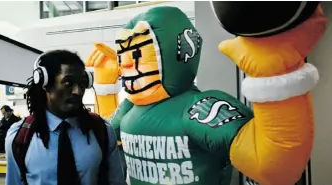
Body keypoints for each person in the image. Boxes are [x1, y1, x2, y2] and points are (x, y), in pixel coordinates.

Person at [86, 3, 326, 185]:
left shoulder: (199, 108)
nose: (125, 66)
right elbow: (103, 139)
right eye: (123, 57)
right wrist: (106, 89)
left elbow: (273, 165)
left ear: (177, 53)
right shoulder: (129, 108)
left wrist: (273, 71)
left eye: (136, 54)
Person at [5, 50, 126, 185]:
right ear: (45, 83)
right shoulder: (20, 136)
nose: (78, 91)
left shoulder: (102, 131)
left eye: (82, 84)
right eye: (68, 83)